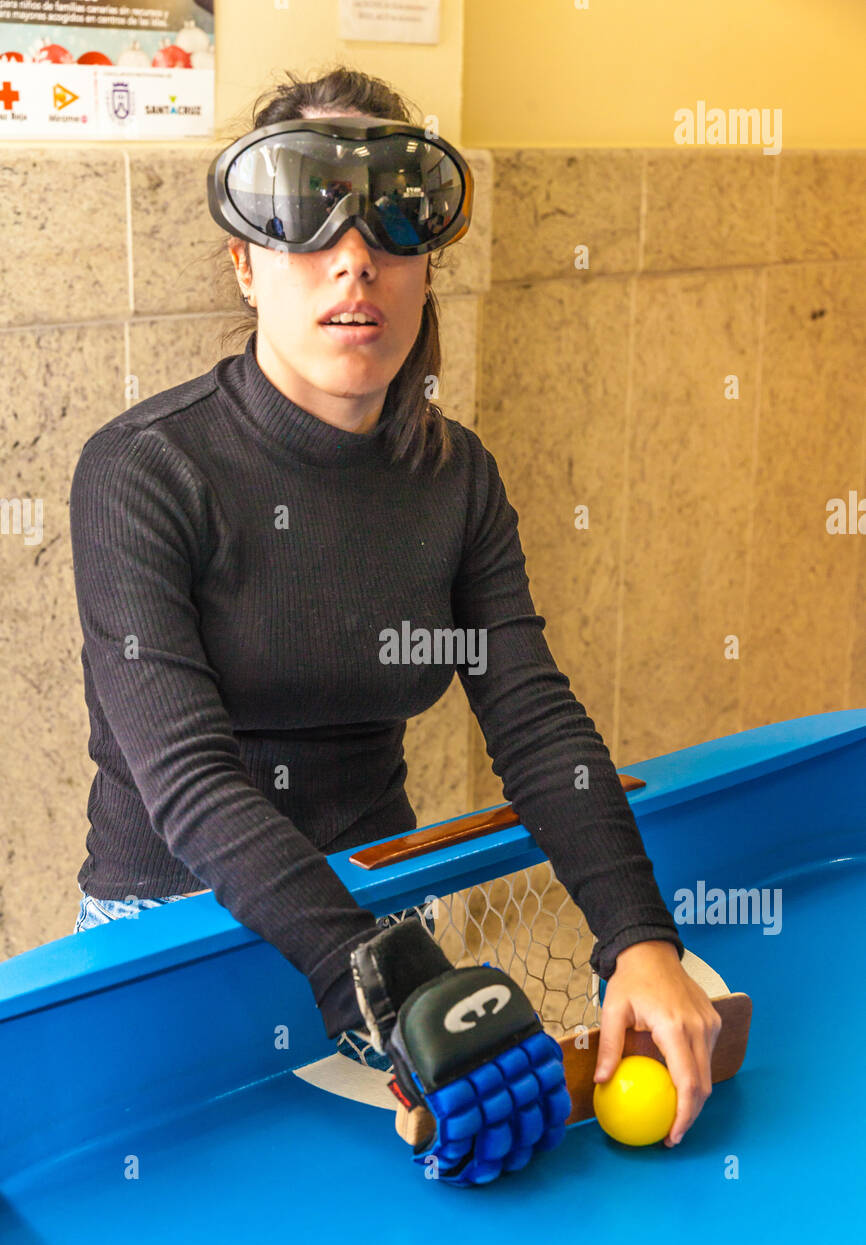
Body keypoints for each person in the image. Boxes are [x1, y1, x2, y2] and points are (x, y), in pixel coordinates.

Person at [69, 65, 720, 1183]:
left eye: (393, 225)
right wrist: (379, 979)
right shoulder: (143, 472)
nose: (353, 260)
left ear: (425, 266)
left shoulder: (454, 478)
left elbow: (531, 716)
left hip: (378, 899)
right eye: (305, 221)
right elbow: (186, 780)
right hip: (171, 936)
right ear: (243, 262)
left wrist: (638, 937)